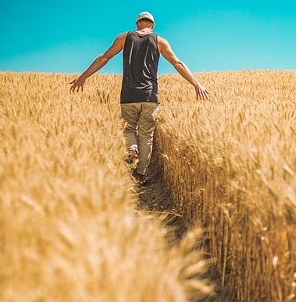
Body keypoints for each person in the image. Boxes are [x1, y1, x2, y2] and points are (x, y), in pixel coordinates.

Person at [70, 11, 209, 185]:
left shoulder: (124, 38)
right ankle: (140, 174)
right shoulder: (160, 41)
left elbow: (104, 57)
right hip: (150, 96)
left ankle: (131, 148)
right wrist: (197, 84)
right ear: (152, 25)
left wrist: (83, 76)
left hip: (128, 94)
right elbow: (177, 63)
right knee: (146, 136)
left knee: (128, 130)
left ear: (137, 24)